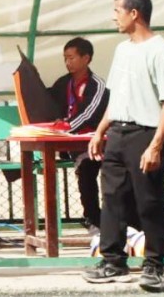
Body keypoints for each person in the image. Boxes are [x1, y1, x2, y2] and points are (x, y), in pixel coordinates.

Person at [84, 0, 164, 292]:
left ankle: (154, 264)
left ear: (135, 13)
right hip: (117, 134)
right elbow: (116, 97)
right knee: (112, 198)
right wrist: (100, 131)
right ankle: (112, 261)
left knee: (149, 200)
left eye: (117, 10)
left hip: (145, 134)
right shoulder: (122, 50)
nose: (114, 16)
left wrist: (156, 146)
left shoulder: (161, 50)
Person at [46, 37, 108, 233]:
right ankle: (92, 218)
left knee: (94, 167)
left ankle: (111, 219)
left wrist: (67, 127)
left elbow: (90, 113)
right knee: (85, 167)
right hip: (69, 143)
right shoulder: (62, 83)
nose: (67, 63)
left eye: (71, 58)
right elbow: (50, 106)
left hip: (95, 141)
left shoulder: (97, 84)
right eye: (65, 58)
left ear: (86, 58)